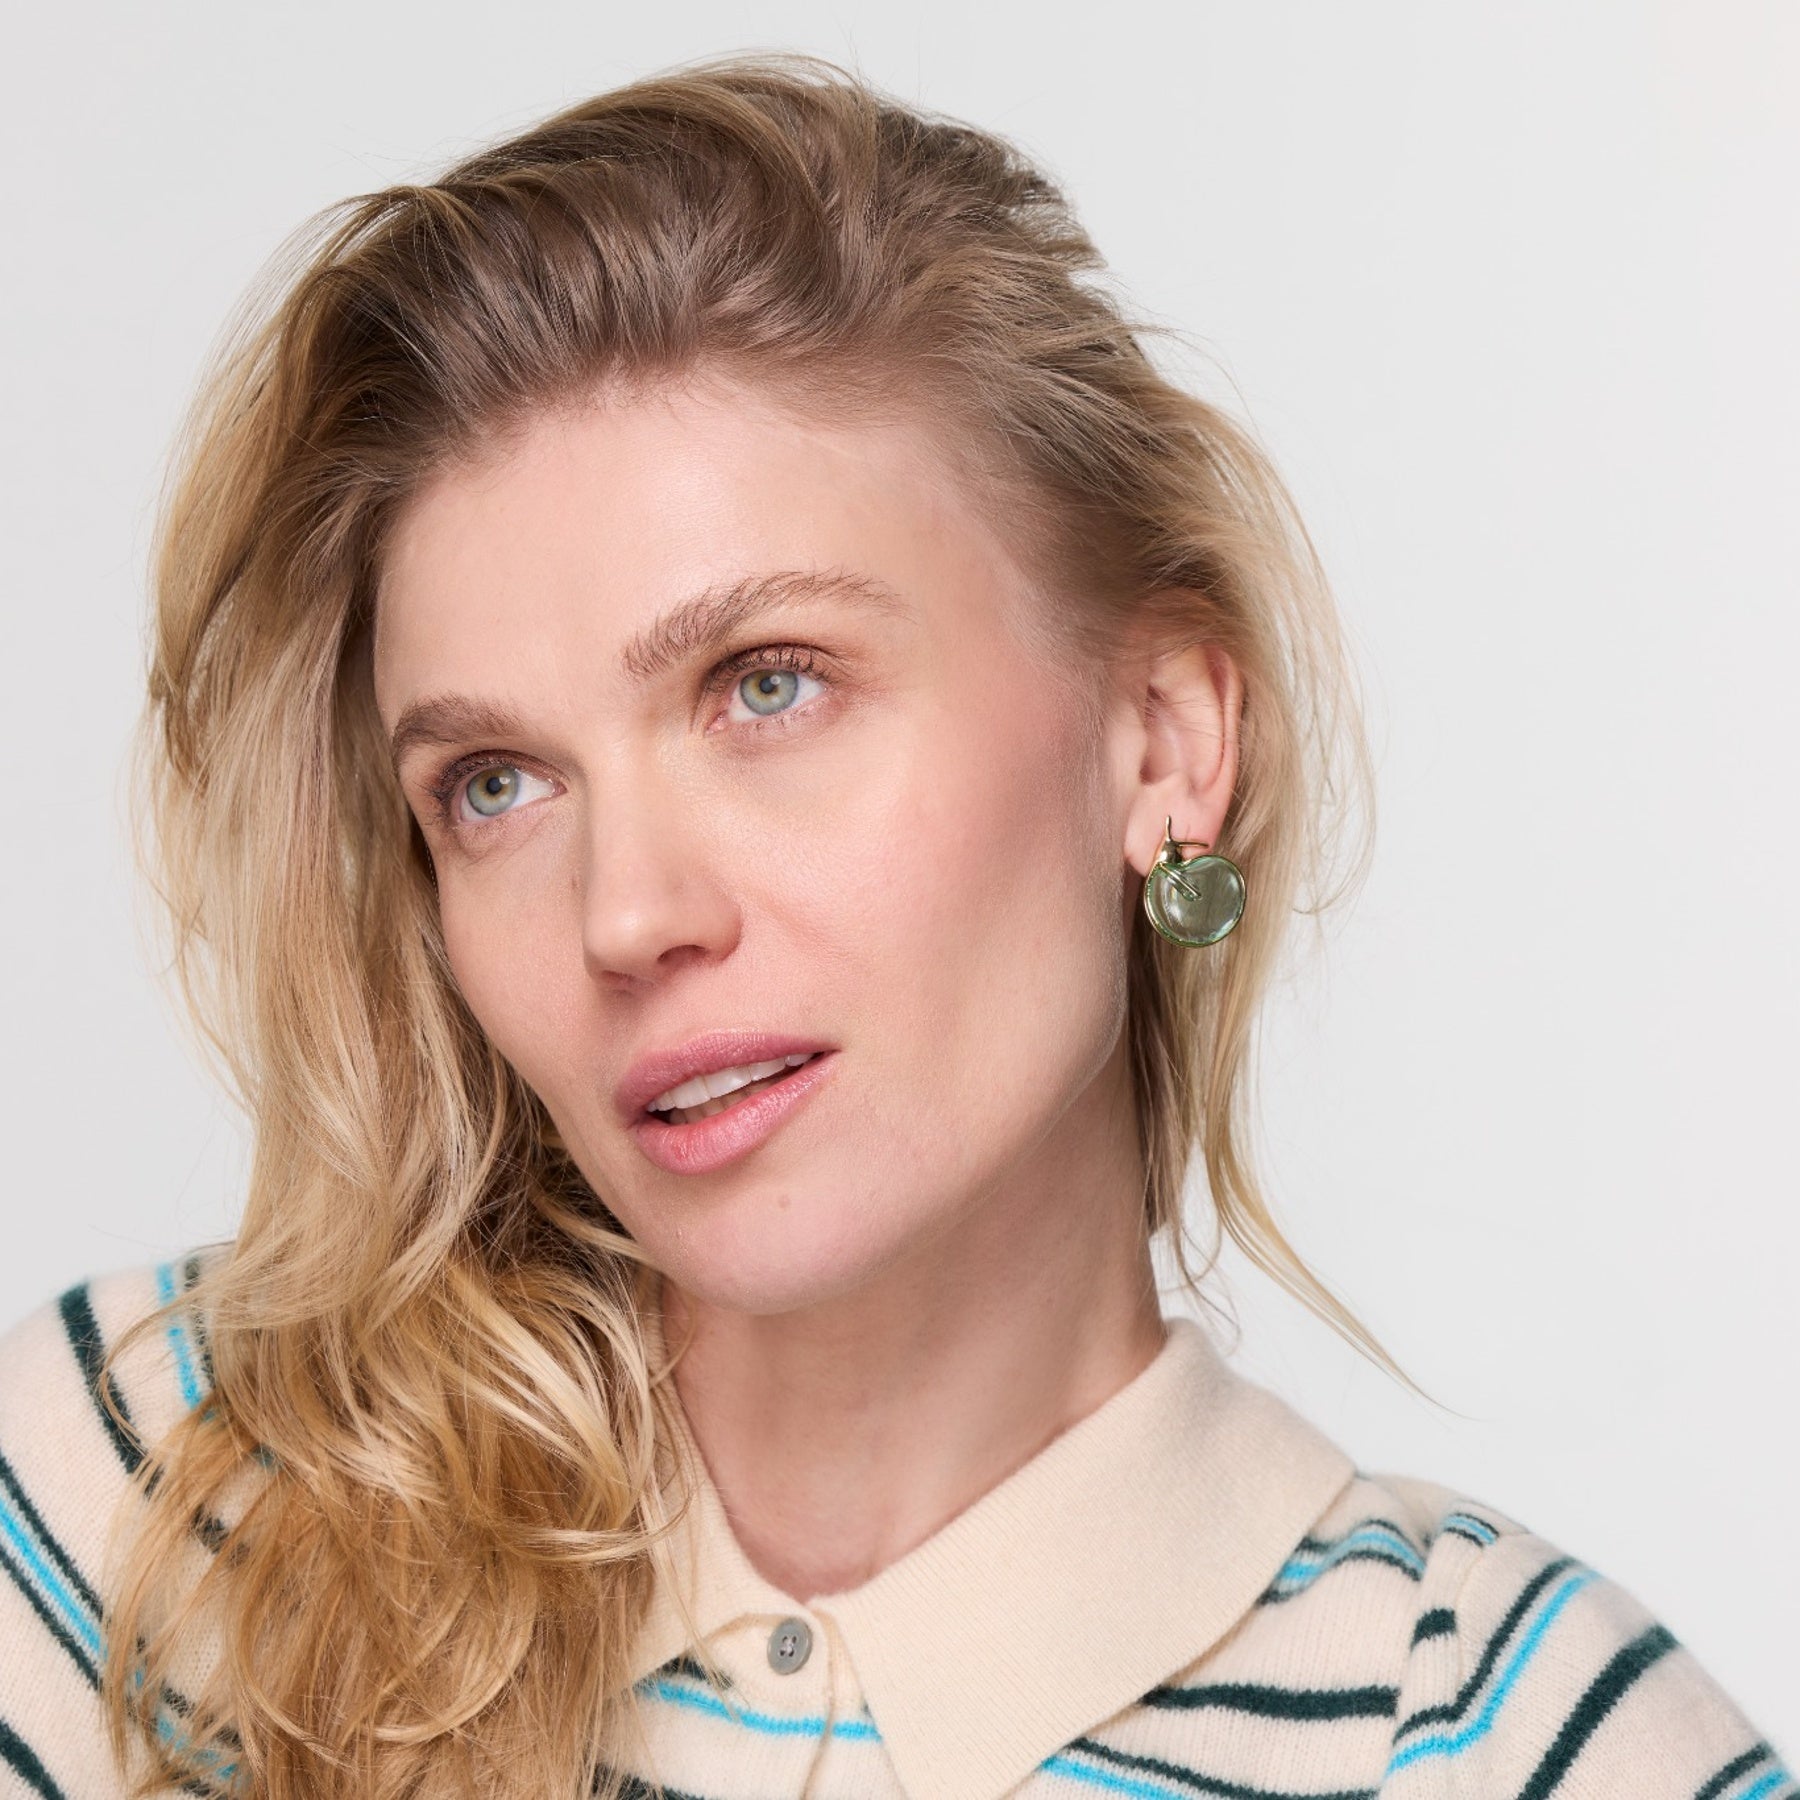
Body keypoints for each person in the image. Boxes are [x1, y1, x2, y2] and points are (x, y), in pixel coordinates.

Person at [0, 52, 1788, 1800]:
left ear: (1160, 738)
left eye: (767, 686)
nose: (627, 914)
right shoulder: (149, 1502)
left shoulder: (1492, 1740)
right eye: (493, 784)